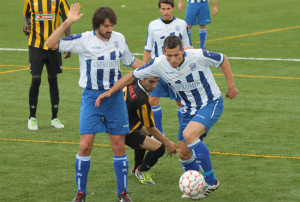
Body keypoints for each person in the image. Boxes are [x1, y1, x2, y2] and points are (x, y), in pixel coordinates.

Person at [95, 35, 239, 200]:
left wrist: (231, 87)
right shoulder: (159, 63)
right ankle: (196, 188)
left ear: (182, 50)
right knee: (184, 154)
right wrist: (110, 92)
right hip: (188, 109)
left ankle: (211, 181)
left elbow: (222, 59)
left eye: (176, 55)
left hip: (210, 103)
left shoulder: (197, 56)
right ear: (164, 52)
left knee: (189, 135)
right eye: (169, 55)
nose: (173, 59)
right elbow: (132, 75)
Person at [46, 3, 145, 202]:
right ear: (97, 25)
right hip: (92, 99)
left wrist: (154, 68)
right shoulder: (84, 39)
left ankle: (122, 193)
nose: (110, 30)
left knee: (118, 146)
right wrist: (68, 22)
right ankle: (81, 192)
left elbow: (131, 61)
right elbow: (51, 43)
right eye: (106, 26)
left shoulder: (119, 39)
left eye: (112, 26)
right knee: (85, 146)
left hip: (115, 98)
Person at [144, 0, 192, 135]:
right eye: (163, 9)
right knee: (152, 100)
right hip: (157, 69)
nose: (166, 12)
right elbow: (148, 49)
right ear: (159, 9)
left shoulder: (182, 24)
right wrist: (144, 70)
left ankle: (184, 132)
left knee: (180, 102)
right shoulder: (153, 25)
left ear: (173, 9)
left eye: (168, 9)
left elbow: (187, 47)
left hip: (176, 71)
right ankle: (159, 134)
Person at [23, 0, 71, 130]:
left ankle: (54, 118)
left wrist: (67, 42)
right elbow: (26, 15)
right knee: (36, 80)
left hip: (54, 45)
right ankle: (32, 118)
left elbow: (67, 18)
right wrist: (26, 25)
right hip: (35, 45)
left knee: (53, 80)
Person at [123, 77, 178, 185]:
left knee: (145, 136)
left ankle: (136, 168)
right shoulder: (142, 99)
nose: (154, 85)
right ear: (143, 79)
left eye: (157, 82)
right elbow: (150, 127)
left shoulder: (132, 81)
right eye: (151, 82)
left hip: (125, 123)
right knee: (160, 147)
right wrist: (167, 143)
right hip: (126, 132)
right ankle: (142, 171)